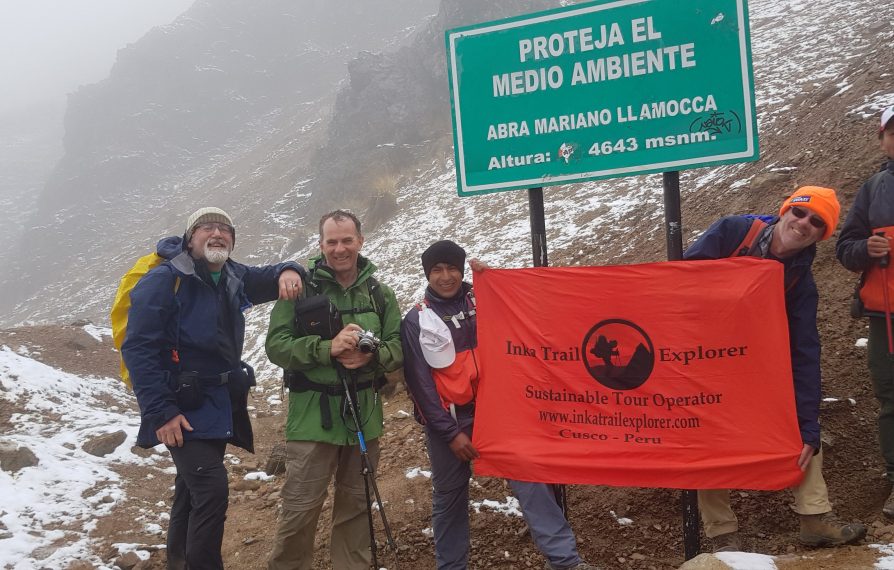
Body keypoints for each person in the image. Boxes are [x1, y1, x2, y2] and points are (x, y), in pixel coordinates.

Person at [684, 186, 867, 552]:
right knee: (707, 433)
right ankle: (723, 534)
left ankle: (814, 516)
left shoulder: (801, 281)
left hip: (755, 364)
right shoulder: (734, 232)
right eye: (800, 213)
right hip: (702, 354)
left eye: (817, 223)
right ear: (785, 210)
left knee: (799, 420)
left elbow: (804, 353)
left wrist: (808, 426)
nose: (803, 224)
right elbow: (681, 280)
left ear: (821, 234)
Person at [122, 207, 305, 569]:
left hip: (217, 403)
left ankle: (179, 562)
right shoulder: (165, 279)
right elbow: (138, 348)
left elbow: (272, 275)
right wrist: (161, 412)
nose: (217, 233)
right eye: (207, 227)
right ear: (191, 238)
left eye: (225, 229)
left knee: (190, 492)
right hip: (180, 406)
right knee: (211, 489)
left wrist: (290, 270)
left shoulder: (233, 274)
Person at [400, 240, 596, 570]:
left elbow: (527, 307)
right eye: (437, 270)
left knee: (530, 480)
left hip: (499, 414)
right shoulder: (417, 320)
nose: (445, 277)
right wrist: (450, 434)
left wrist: (495, 280)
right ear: (427, 274)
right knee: (449, 500)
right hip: (451, 422)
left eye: (452, 269)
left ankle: (565, 562)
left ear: (461, 270)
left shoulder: (484, 298)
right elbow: (420, 387)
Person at [265, 210, 403, 570]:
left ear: (360, 240)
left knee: (356, 508)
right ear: (321, 244)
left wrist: (370, 358)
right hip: (313, 419)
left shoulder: (380, 293)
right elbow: (276, 347)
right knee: (299, 510)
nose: (339, 249)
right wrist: (327, 349)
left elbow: (398, 346)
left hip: (364, 418)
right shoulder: (298, 289)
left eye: (346, 240)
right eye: (331, 242)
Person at [836, 105, 894, 516]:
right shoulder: (873, 189)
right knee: (891, 399)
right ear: (882, 139)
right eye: (893, 131)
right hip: (885, 316)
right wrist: (865, 249)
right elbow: (845, 248)